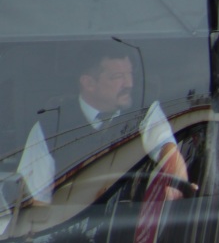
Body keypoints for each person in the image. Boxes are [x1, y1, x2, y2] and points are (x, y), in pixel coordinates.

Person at [15, 41, 191, 209]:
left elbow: (167, 149)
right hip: (67, 231)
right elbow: (35, 201)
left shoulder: (144, 109)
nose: (129, 84)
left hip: (126, 226)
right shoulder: (51, 125)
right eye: (117, 77)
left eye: (130, 74)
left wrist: (177, 183)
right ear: (89, 83)